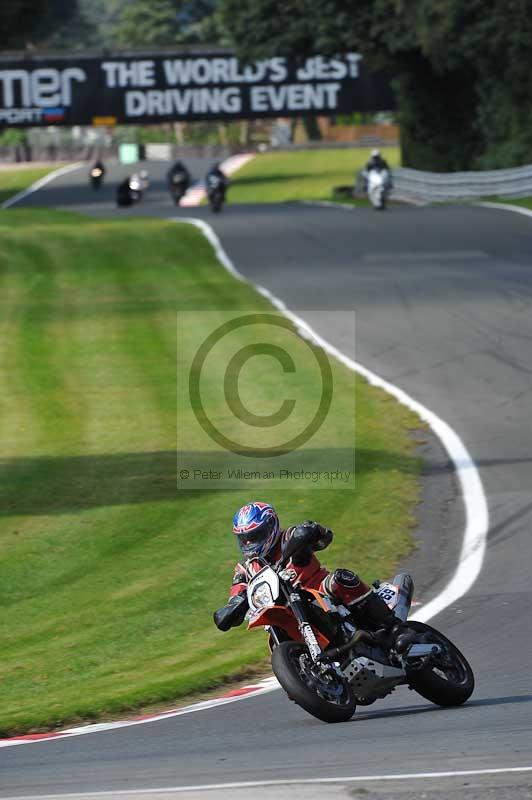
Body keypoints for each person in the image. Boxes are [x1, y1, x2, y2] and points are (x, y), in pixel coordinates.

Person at [213, 501, 404, 643]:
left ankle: (394, 626)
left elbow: (324, 537)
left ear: (270, 527)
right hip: (282, 610)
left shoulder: (288, 537)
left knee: (340, 579)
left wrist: (310, 531)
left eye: (254, 536)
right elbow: (236, 595)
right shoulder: (244, 569)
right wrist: (231, 610)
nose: (249, 543)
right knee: (273, 635)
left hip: (317, 590)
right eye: (244, 539)